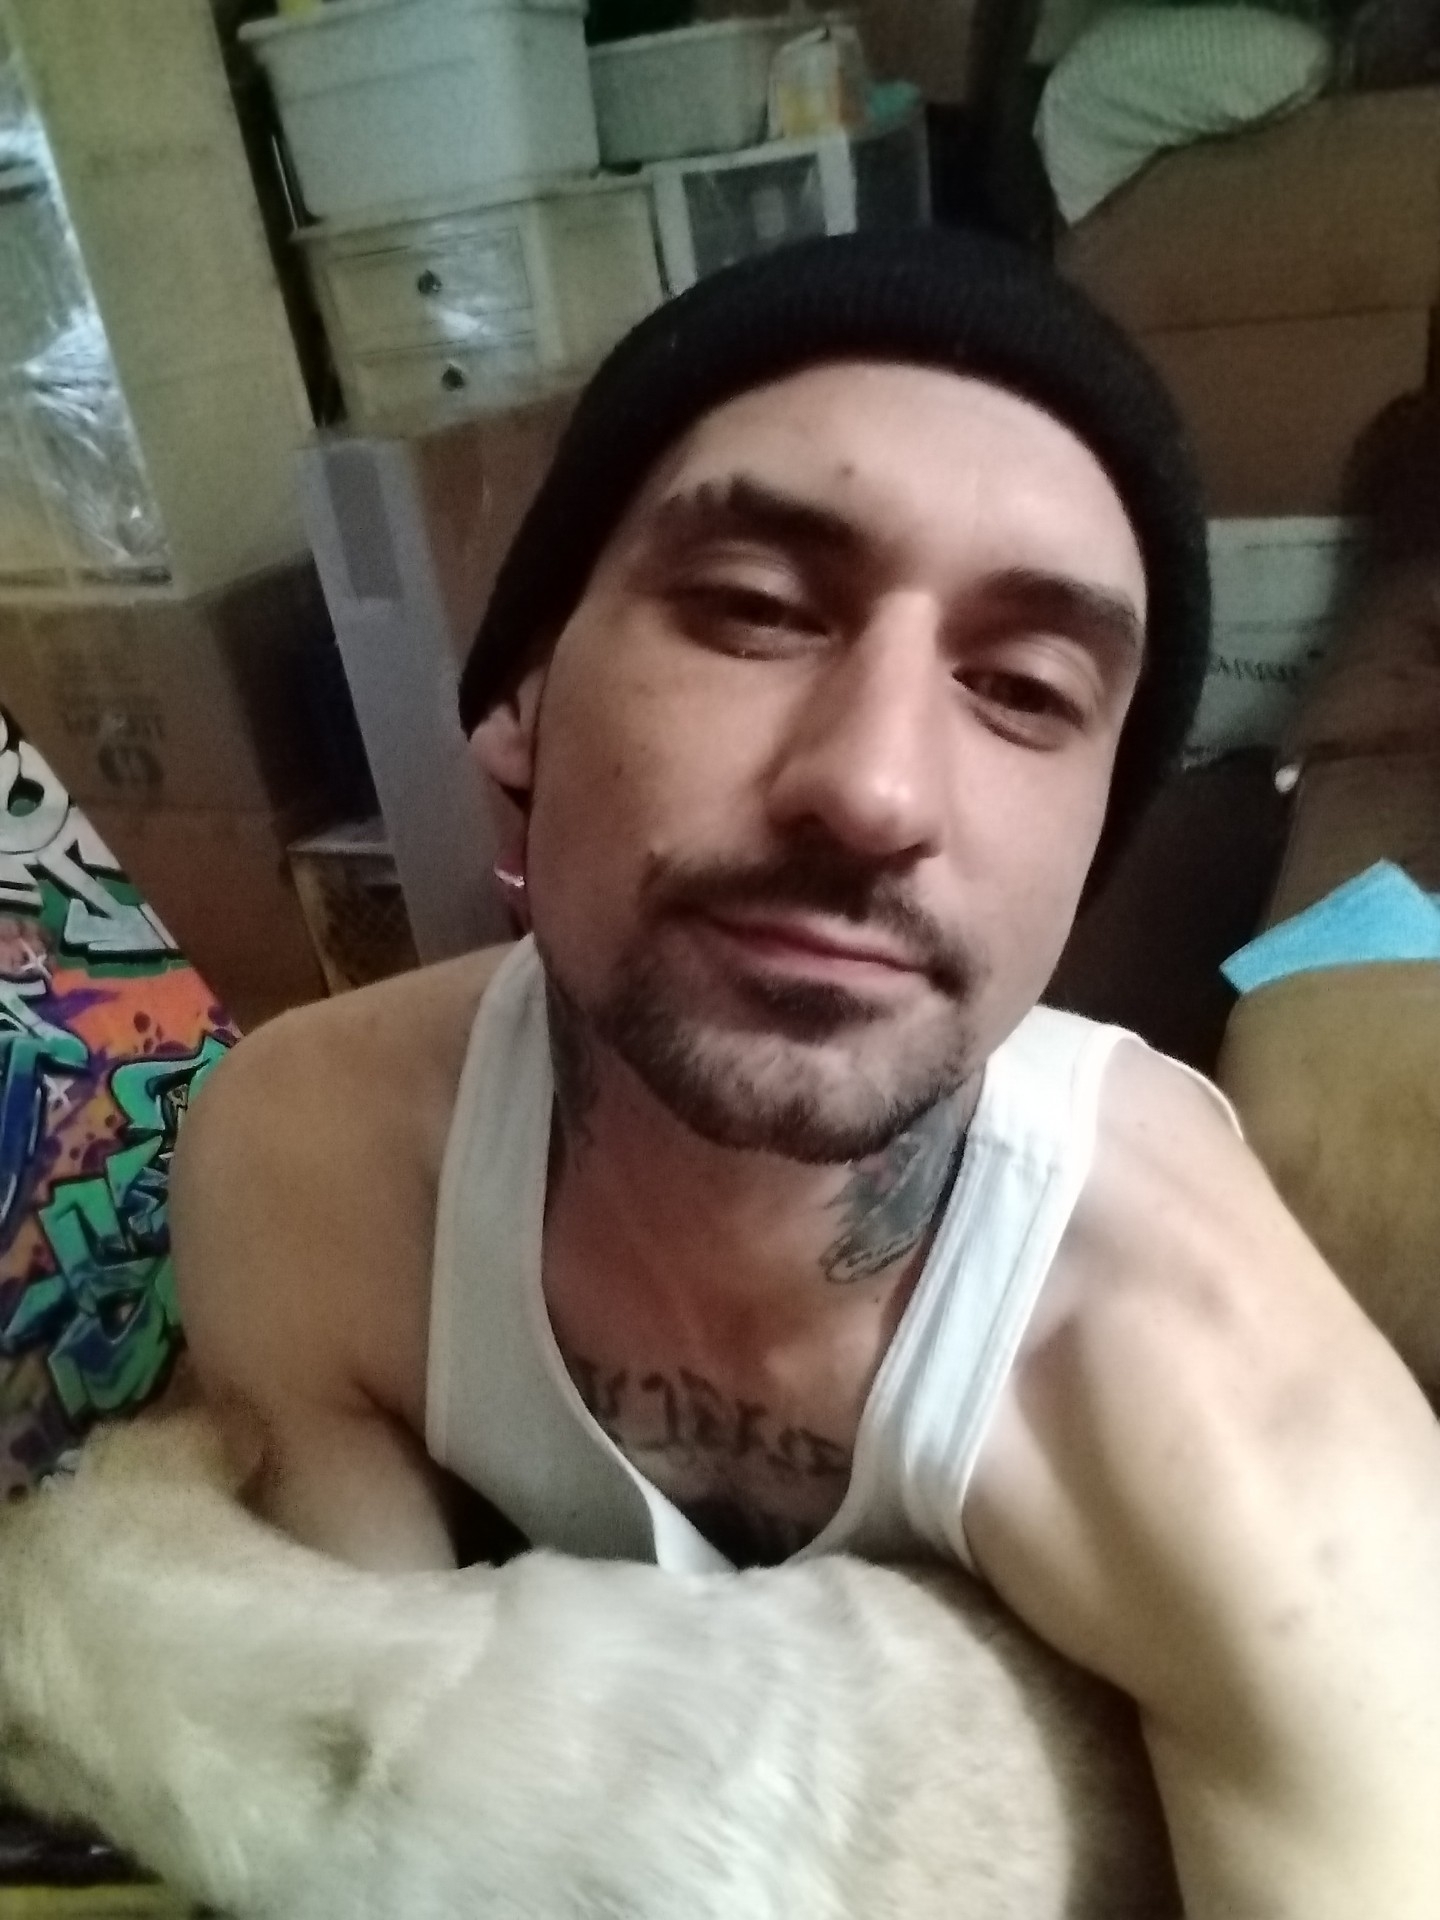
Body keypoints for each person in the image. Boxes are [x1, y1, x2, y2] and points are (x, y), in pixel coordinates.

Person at [172, 230, 1440, 1918]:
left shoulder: (1249, 1433)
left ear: (1088, 850)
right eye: (756, 611)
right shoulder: (308, 1177)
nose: (875, 788)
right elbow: (380, 1825)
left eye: (1023, 690)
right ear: (523, 701)